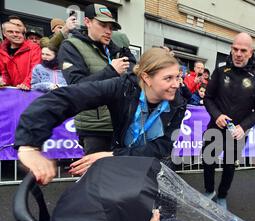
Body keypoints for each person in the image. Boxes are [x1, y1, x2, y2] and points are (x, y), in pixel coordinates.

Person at [14, 47, 186, 185]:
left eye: (178, 77)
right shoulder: (123, 87)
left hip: (157, 166)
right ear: (147, 78)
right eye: (168, 78)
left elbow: (163, 146)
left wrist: (113, 155)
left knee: (161, 219)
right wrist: (28, 145)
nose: (176, 84)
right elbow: (66, 98)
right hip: (124, 164)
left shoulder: (178, 103)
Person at [58, 3, 136, 154]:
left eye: (111, 27)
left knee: (119, 173)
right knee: (97, 174)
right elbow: (76, 88)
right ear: (87, 22)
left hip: (121, 124)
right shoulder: (71, 46)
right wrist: (111, 71)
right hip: (95, 128)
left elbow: (134, 75)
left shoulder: (115, 49)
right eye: (102, 25)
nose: (108, 31)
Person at [202, 32, 255, 209]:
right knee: (208, 160)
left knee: (229, 166)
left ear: (250, 52)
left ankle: (222, 195)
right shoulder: (221, 70)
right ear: (231, 49)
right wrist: (217, 115)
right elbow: (208, 98)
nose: (238, 54)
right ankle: (209, 191)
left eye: (243, 50)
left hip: (238, 133)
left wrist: (243, 126)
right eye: (235, 49)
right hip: (215, 126)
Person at [0, 21, 41, 90]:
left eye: (18, 32)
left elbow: (36, 69)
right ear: (4, 34)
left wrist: (27, 83)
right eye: (10, 32)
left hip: (31, 90)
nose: (15, 34)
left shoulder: (34, 47)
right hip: (15, 92)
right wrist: (3, 81)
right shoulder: (2, 52)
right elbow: (5, 74)